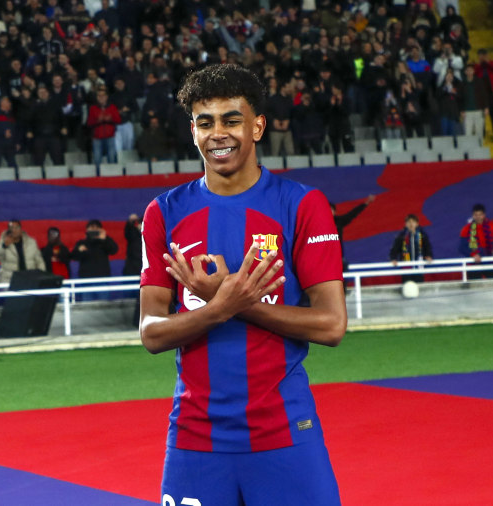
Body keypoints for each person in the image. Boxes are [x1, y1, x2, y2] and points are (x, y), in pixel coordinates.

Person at [140, 64, 346, 505]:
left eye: (232, 120)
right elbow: (151, 333)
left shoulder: (302, 205)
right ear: (192, 130)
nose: (219, 133)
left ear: (257, 126)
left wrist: (232, 301)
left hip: (285, 431)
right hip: (195, 438)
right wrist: (218, 308)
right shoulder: (164, 213)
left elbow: (331, 325)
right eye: (205, 122)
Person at [71, 220, 118, 301]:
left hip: (102, 279)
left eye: (97, 228)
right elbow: (74, 256)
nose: (94, 230)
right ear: (87, 230)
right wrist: (79, 250)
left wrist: (104, 239)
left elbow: (114, 250)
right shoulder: (82, 243)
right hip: (86, 280)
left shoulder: (105, 241)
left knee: (104, 307)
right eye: (92, 228)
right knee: (87, 306)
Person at [458, 203, 493, 280]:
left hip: (489, 262)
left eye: (480, 215)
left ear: (484, 215)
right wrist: (473, 254)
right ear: (473, 215)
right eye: (476, 215)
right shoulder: (466, 229)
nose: (478, 217)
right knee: (475, 289)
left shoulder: (492, 227)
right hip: (473, 263)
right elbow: (462, 247)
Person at [332, 194, 375, 269]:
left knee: (342, 276)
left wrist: (366, 203)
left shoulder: (339, 221)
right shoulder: (318, 224)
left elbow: (352, 214)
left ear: (335, 212)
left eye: (331, 210)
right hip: (323, 259)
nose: (329, 212)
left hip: (338, 258)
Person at [389, 214, 433, 283]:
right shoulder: (401, 236)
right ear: (406, 224)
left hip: (419, 266)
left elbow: (427, 247)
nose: (411, 224)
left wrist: (429, 256)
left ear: (417, 224)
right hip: (406, 268)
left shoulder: (422, 235)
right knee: (408, 287)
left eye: (413, 222)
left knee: (419, 286)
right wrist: (393, 259)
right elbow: (394, 249)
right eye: (409, 222)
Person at [86, 87, 121, 166]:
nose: (101, 97)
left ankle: (113, 175)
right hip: (97, 137)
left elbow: (118, 120)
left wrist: (110, 119)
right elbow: (89, 123)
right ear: (97, 97)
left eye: (103, 96)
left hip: (110, 136)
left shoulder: (112, 107)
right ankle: (98, 176)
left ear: (106, 97)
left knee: (112, 158)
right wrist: (98, 120)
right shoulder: (93, 108)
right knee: (97, 159)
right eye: (99, 96)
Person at [475, 49, 493, 143]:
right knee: (481, 114)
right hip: (482, 93)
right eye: (480, 56)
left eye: (483, 55)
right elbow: (475, 74)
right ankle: (481, 135)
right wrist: (480, 64)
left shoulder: (492, 63)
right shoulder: (477, 66)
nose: (481, 57)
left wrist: (488, 63)